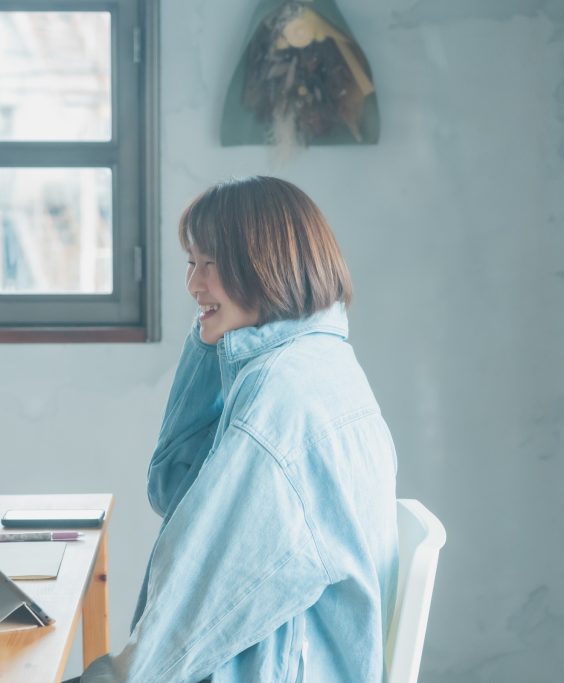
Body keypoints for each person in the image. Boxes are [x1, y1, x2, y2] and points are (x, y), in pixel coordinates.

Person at [80, 176, 399, 682]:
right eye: (191, 263)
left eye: (211, 263)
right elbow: (173, 485)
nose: (193, 284)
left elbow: (193, 601)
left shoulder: (282, 398)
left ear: (266, 267)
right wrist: (210, 344)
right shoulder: (320, 361)